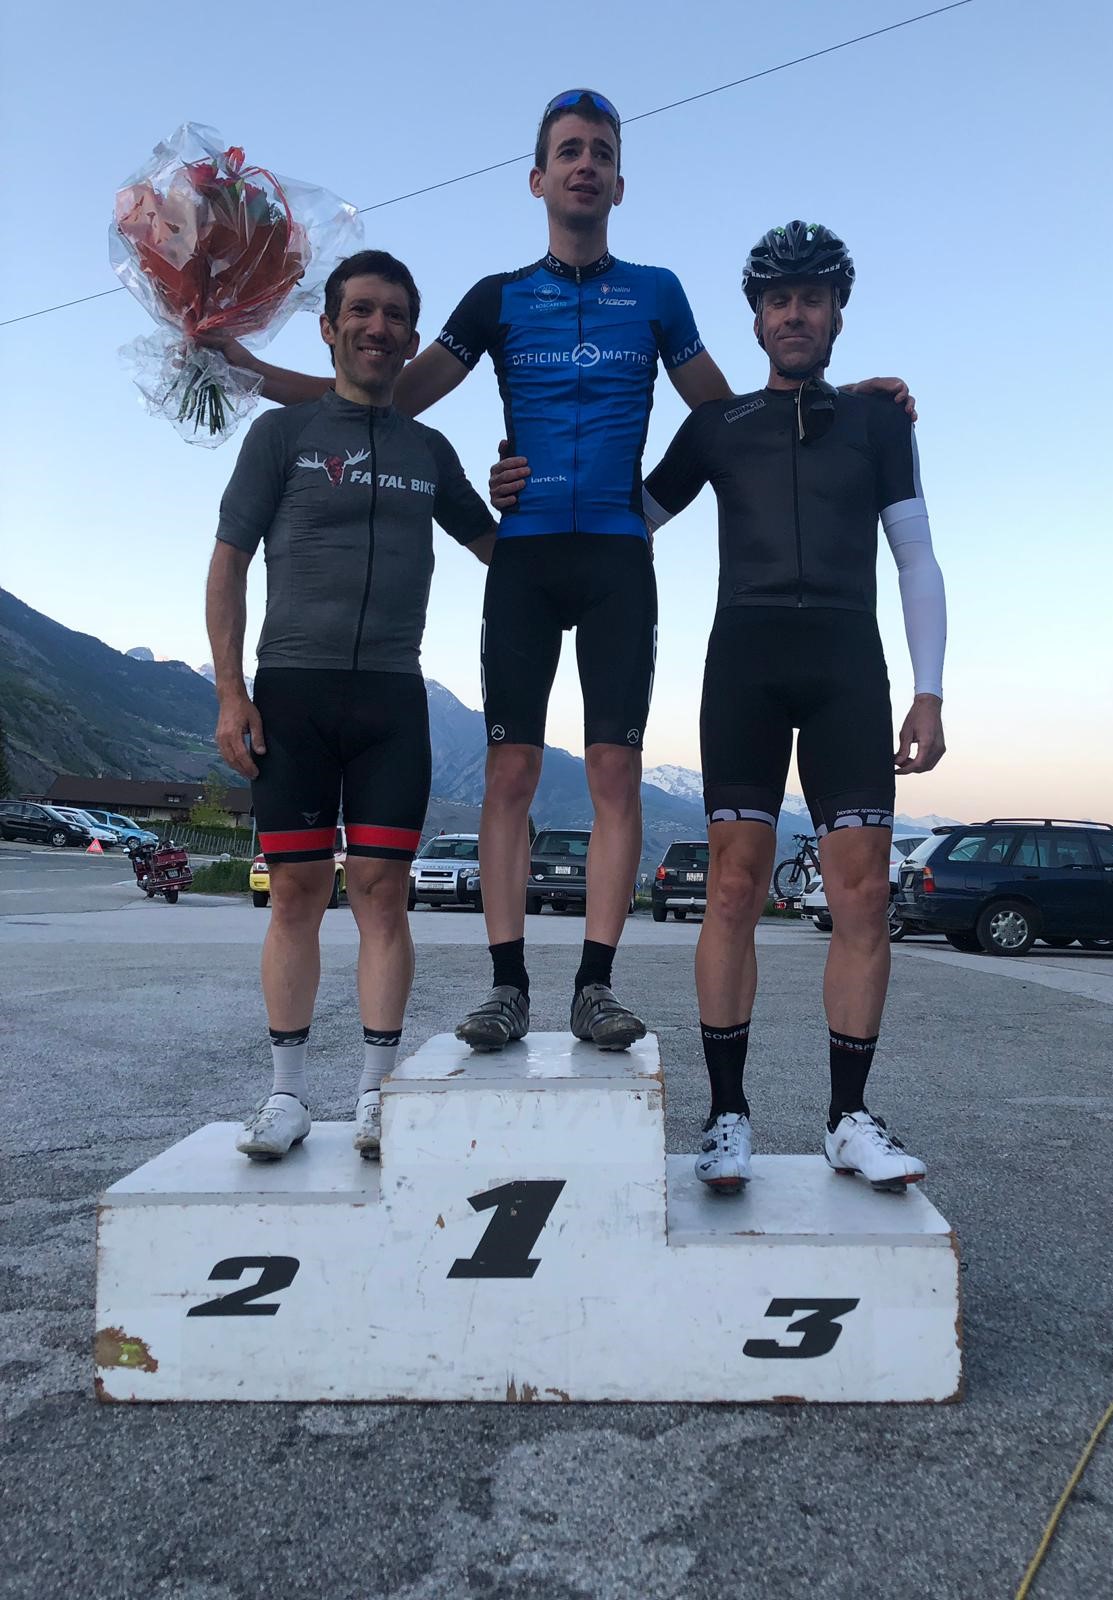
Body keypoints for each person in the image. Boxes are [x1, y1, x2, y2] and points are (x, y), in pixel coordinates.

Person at [208, 94, 912, 1056]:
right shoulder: (496, 297)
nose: (586, 165)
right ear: (538, 179)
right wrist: (240, 364)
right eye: (569, 152)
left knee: (615, 772)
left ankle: (594, 986)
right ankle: (508, 986)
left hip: (618, 557)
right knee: (512, 771)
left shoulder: (656, 293)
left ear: (620, 183)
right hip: (527, 557)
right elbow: (380, 401)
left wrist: (832, 395)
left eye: (602, 153)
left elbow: (730, 419)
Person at [493, 222, 946, 1194]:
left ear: (837, 313)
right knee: (733, 888)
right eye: (779, 300)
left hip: (848, 663)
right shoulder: (717, 427)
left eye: (812, 297)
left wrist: (929, 690)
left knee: (864, 894)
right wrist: (529, 479)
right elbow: (626, 516)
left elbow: (915, 555)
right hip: (743, 661)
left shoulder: (880, 424)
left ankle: (848, 1119)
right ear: (755, 319)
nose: (795, 314)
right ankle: (726, 1114)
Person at [205, 249, 495, 1161]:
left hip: (391, 700)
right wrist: (230, 691)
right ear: (328, 327)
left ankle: (376, 1095)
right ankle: (286, 1096)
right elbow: (228, 561)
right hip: (291, 691)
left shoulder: (429, 451)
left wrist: (542, 500)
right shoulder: (282, 435)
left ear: (411, 337)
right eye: (361, 311)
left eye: (395, 315)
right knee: (295, 892)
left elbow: (498, 547)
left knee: (381, 894)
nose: (378, 327)